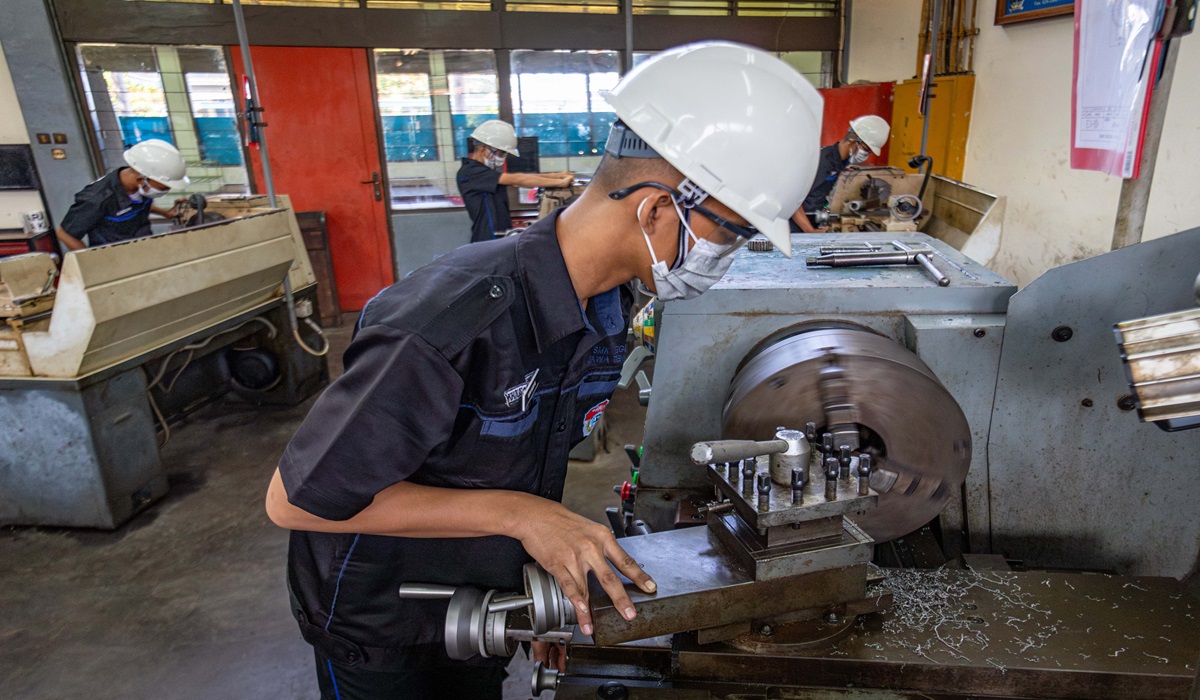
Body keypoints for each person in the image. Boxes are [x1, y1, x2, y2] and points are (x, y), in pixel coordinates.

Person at [264, 41, 823, 700]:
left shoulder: (604, 314)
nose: (725, 255)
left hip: (478, 611)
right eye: (727, 234)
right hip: (382, 627)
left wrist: (528, 557)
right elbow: (296, 502)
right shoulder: (450, 319)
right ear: (654, 209)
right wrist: (524, 516)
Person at [55, 139, 189, 251]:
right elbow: (65, 233)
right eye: (164, 187)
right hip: (114, 259)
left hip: (143, 247)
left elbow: (137, 206)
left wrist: (165, 214)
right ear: (141, 179)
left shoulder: (141, 187)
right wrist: (91, 264)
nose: (167, 190)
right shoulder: (96, 199)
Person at [456, 120, 575, 243]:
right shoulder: (471, 172)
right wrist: (560, 183)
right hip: (488, 239)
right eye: (501, 153)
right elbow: (517, 180)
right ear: (483, 149)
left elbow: (520, 178)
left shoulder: (484, 172)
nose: (502, 158)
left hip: (499, 237)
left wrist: (555, 176)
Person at [790, 115, 890, 233]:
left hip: (814, 223)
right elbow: (792, 199)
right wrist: (810, 230)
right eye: (866, 150)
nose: (866, 154)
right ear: (853, 142)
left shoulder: (840, 164)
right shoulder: (822, 162)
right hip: (796, 231)